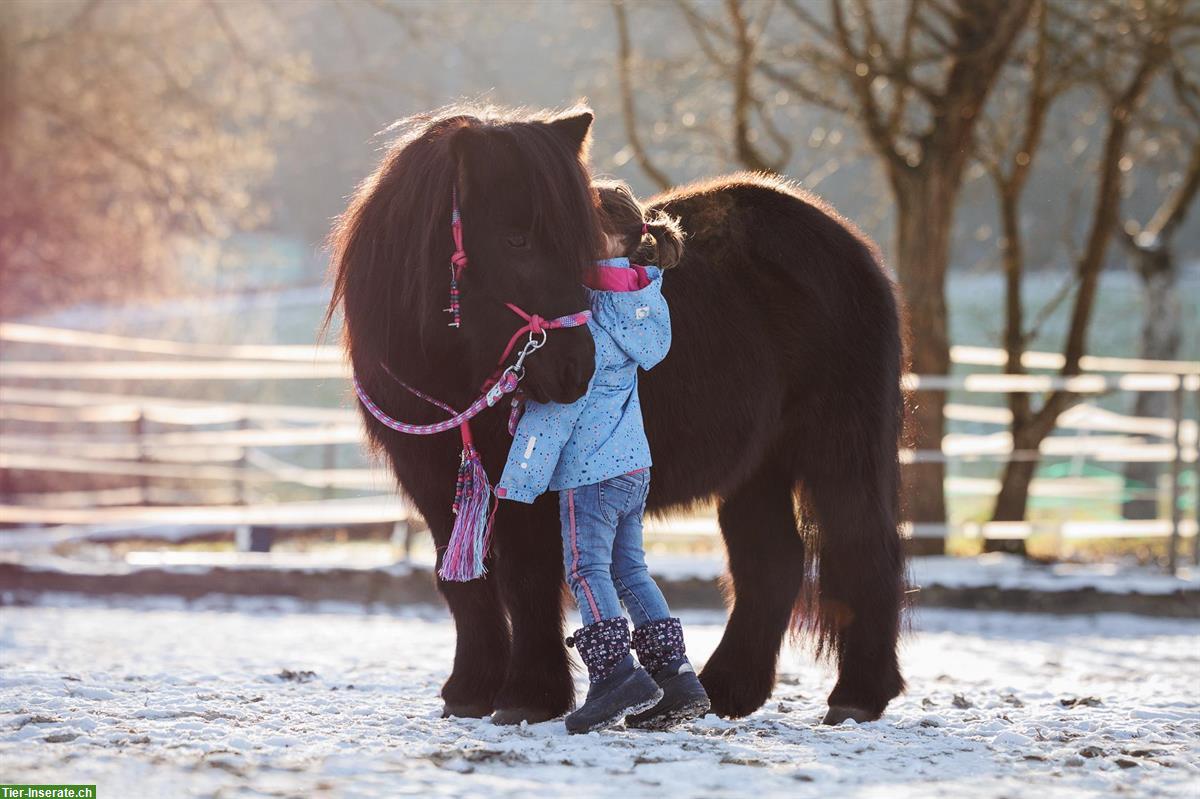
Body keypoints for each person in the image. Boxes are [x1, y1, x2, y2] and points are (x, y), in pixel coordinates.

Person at [496, 179, 710, 734]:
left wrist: (518, 476)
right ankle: (677, 678)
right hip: (631, 464)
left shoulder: (587, 313)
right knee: (629, 569)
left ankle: (614, 673)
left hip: (589, 472)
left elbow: (563, 404)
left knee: (587, 569)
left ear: (610, 237)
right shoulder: (640, 299)